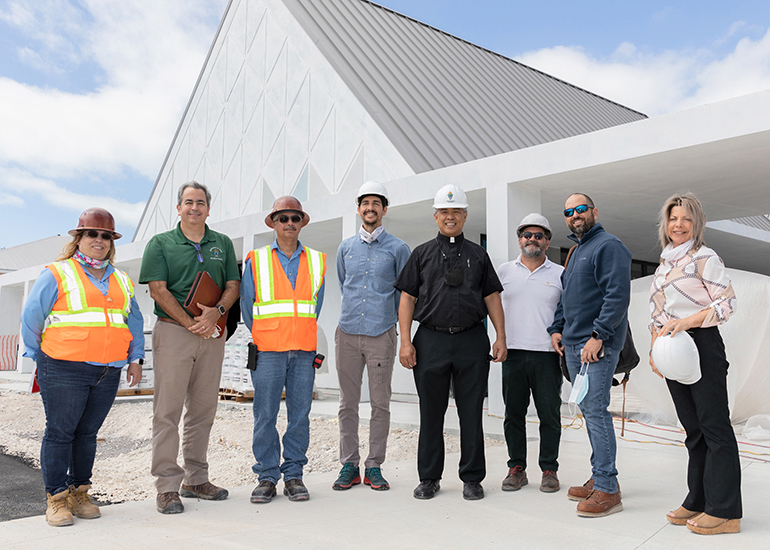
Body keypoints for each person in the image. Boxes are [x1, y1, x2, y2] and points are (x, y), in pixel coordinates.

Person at [20, 208, 144, 527]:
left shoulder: (122, 280)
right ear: (79, 238)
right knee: (61, 432)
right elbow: (31, 317)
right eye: (92, 233)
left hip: (108, 369)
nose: (99, 240)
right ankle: (57, 498)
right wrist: (39, 356)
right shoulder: (58, 273)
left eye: (106, 235)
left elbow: (133, 321)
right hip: (63, 366)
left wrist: (135, 358)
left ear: (112, 242)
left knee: (88, 434)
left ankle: (80, 492)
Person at [395, 184, 507, 501]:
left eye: (456, 211)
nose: (450, 217)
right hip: (430, 339)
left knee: (471, 412)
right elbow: (407, 298)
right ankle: (429, 478)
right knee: (432, 412)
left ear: (465, 215)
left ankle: (472, 478)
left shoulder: (478, 255)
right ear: (435, 216)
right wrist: (406, 341)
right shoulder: (421, 255)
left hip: (472, 339)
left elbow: (492, 297)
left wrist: (500, 335)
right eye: (444, 211)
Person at [139, 182, 240, 514]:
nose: (194, 207)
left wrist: (217, 313)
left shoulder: (221, 243)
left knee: (203, 410)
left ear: (209, 209)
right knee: (166, 412)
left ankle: (196, 479)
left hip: (212, 333)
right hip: (173, 332)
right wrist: (190, 323)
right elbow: (158, 290)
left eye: (200, 202)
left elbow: (232, 285)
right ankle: (167, 486)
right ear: (179, 208)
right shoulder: (161, 243)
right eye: (188, 202)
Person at [649, 192, 741, 535]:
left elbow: (727, 304)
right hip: (672, 348)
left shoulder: (704, 257)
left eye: (686, 218)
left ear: (696, 223)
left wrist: (686, 323)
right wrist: (654, 348)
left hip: (701, 344)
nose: (679, 224)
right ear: (666, 223)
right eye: (674, 218)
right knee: (694, 431)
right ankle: (698, 499)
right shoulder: (664, 264)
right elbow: (657, 314)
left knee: (715, 428)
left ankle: (726, 511)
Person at [548, 193, 631, 517]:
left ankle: (608, 489)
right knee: (588, 410)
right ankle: (600, 476)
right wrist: (556, 328)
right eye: (569, 211)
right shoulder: (576, 250)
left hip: (595, 346)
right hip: (572, 345)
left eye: (581, 209)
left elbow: (617, 296)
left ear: (594, 212)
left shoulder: (609, 246)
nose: (575, 215)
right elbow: (566, 297)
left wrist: (598, 336)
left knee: (596, 411)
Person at [242, 196, 326, 504]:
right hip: (268, 351)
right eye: (283, 218)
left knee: (299, 415)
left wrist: (296, 331)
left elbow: (314, 307)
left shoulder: (317, 261)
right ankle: (266, 476)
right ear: (274, 223)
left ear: (301, 222)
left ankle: (293, 475)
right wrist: (270, 334)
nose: (289, 223)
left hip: (303, 351)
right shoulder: (257, 259)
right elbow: (248, 308)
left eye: (294, 218)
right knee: (265, 414)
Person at [332, 182, 411, 492]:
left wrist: (399, 333)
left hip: (381, 334)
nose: (370, 208)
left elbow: (405, 295)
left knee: (380, 403)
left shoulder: (398, 248)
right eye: (365, 203)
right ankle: (349, 465)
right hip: (348, 332)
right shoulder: (345, 248)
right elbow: (344, 284)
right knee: (347, 403)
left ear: (384, 209)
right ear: (358, 208)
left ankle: (374, 465)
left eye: (376, 203)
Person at [497, 213, 563, 493]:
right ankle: (517, 468)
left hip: (547, 354)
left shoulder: (560, 274)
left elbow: (567, 312)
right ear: (519, 239)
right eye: (527, 235)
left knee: (549, 414)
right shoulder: (503, 272)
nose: (532, 239)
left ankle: (549, 469)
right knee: (513, 414)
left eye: (538, 235)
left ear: (547, 242)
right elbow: (491, 306)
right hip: (512, 353)